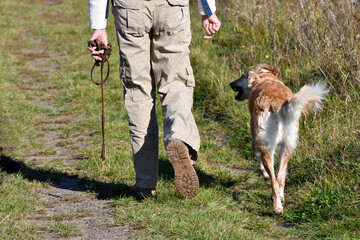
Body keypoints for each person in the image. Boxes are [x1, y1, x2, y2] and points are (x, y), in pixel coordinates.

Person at [88, 0, 221, 200]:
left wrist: (98, 25)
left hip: (131, 8)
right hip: (172, 6)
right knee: (176, 83)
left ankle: (144, 183)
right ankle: (179, 136)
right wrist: (207, 10)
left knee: (138, 91)